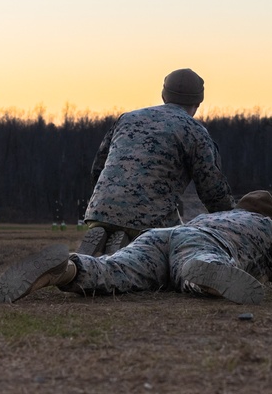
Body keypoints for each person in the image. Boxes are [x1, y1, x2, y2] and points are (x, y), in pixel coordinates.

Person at [0, 191, 272, 306]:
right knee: (197, 262)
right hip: (198, 246)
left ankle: (67, 270)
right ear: (269, 217)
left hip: (163, 235)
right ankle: (202, 272)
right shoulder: (265, 226)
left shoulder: (215, 215)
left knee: (114, 269)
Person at [79, 68, 237, 256]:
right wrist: (232, 220)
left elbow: (98, 167)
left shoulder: (128, 118)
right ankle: (129, 247)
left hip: (100, 209)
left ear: (164, 95)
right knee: (175, 254)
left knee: (116, 226)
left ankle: (109, 240)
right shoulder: (195, 131)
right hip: (150, 220)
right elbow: (213, 190)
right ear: (198, 102)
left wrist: (108, 200)